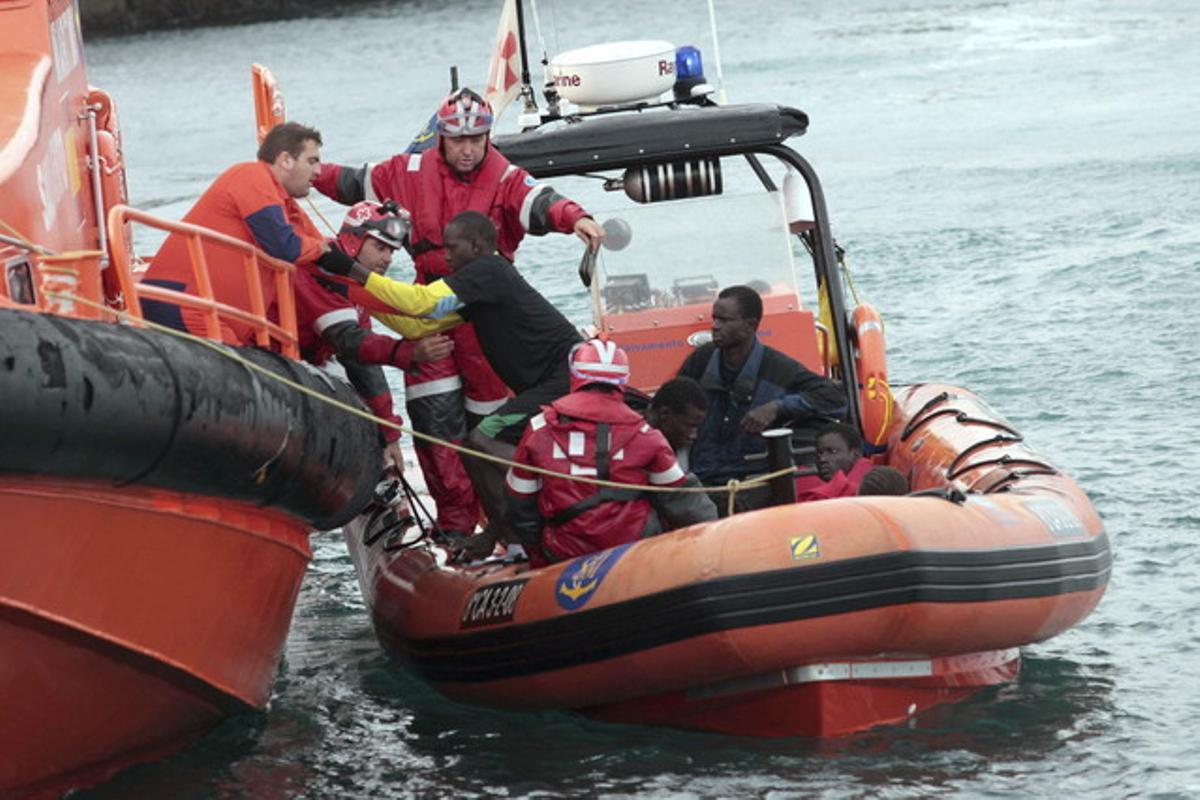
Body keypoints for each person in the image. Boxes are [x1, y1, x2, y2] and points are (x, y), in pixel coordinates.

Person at [313, 87, 605, 538]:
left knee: (488, 432)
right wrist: (300, 174)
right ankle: (456, 530)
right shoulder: (407, 170)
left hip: (481, 320)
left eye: (477, 139)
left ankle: (510, 526)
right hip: (435, 309)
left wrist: (578, 218)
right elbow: (348, 181)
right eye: (458, 140)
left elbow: (542, 202)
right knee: (435, 428)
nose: (468, 149)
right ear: (441, 138)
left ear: (488, 137)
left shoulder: (505, 177)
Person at [323, 211, 583, 550]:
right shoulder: (480, 287)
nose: (445, 256)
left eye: (451, 247)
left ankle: (517, 536)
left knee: (482, 442)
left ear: (475, 245)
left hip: (563, 378)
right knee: (480, 447)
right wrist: (352, 292)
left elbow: (421, 303)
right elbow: (417, 327)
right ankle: (505, 534)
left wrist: (351, 270)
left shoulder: (488, 270)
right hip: (548, 383)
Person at [141, 121, 357, 344]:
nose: (319, 171)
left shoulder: (284, 205)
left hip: (213, 316)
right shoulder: (251, 176)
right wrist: (319, 249)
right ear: (286, 160)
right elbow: (285, 246)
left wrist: (382, 293)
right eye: (312, 161)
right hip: (185, 304)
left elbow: (325, 257)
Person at [504, 340, 715, 566]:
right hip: (635, 554)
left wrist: (539, 560)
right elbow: (687, 505)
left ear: (575, 374)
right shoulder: (645, 434)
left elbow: (520, 506)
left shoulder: (539, 429)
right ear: (622, 381)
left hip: (564, 555)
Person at [293, 200, 453, 476]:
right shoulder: (322, 270)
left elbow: (363, 361)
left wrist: (389, 431)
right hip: (286, 359)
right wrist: (408, 354)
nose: (388, 259)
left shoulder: (353, 283)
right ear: (354, 241)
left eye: (391, 251)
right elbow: (351, 343)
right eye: (380, 248)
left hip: (312, 360)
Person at [677, 285, 847, 513]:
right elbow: (672, 400)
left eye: (725, 320)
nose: (715, 326)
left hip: (754, 484)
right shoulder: (700, 360)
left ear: (750, 325)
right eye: (715, 318)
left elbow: (834, 399)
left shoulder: (778, 368)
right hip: (701, 481)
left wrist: (778, 407)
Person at [796, 422, 874, 501]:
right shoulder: (798, 482)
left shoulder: (871, 484)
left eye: (833, 451)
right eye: (820, 453)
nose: (822, 459)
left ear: (856, 455)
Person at [645, 376, 708, 472]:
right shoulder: (627, 438)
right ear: (664, 413)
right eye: (689, 426)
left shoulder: (676, 440)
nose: (694, 435)